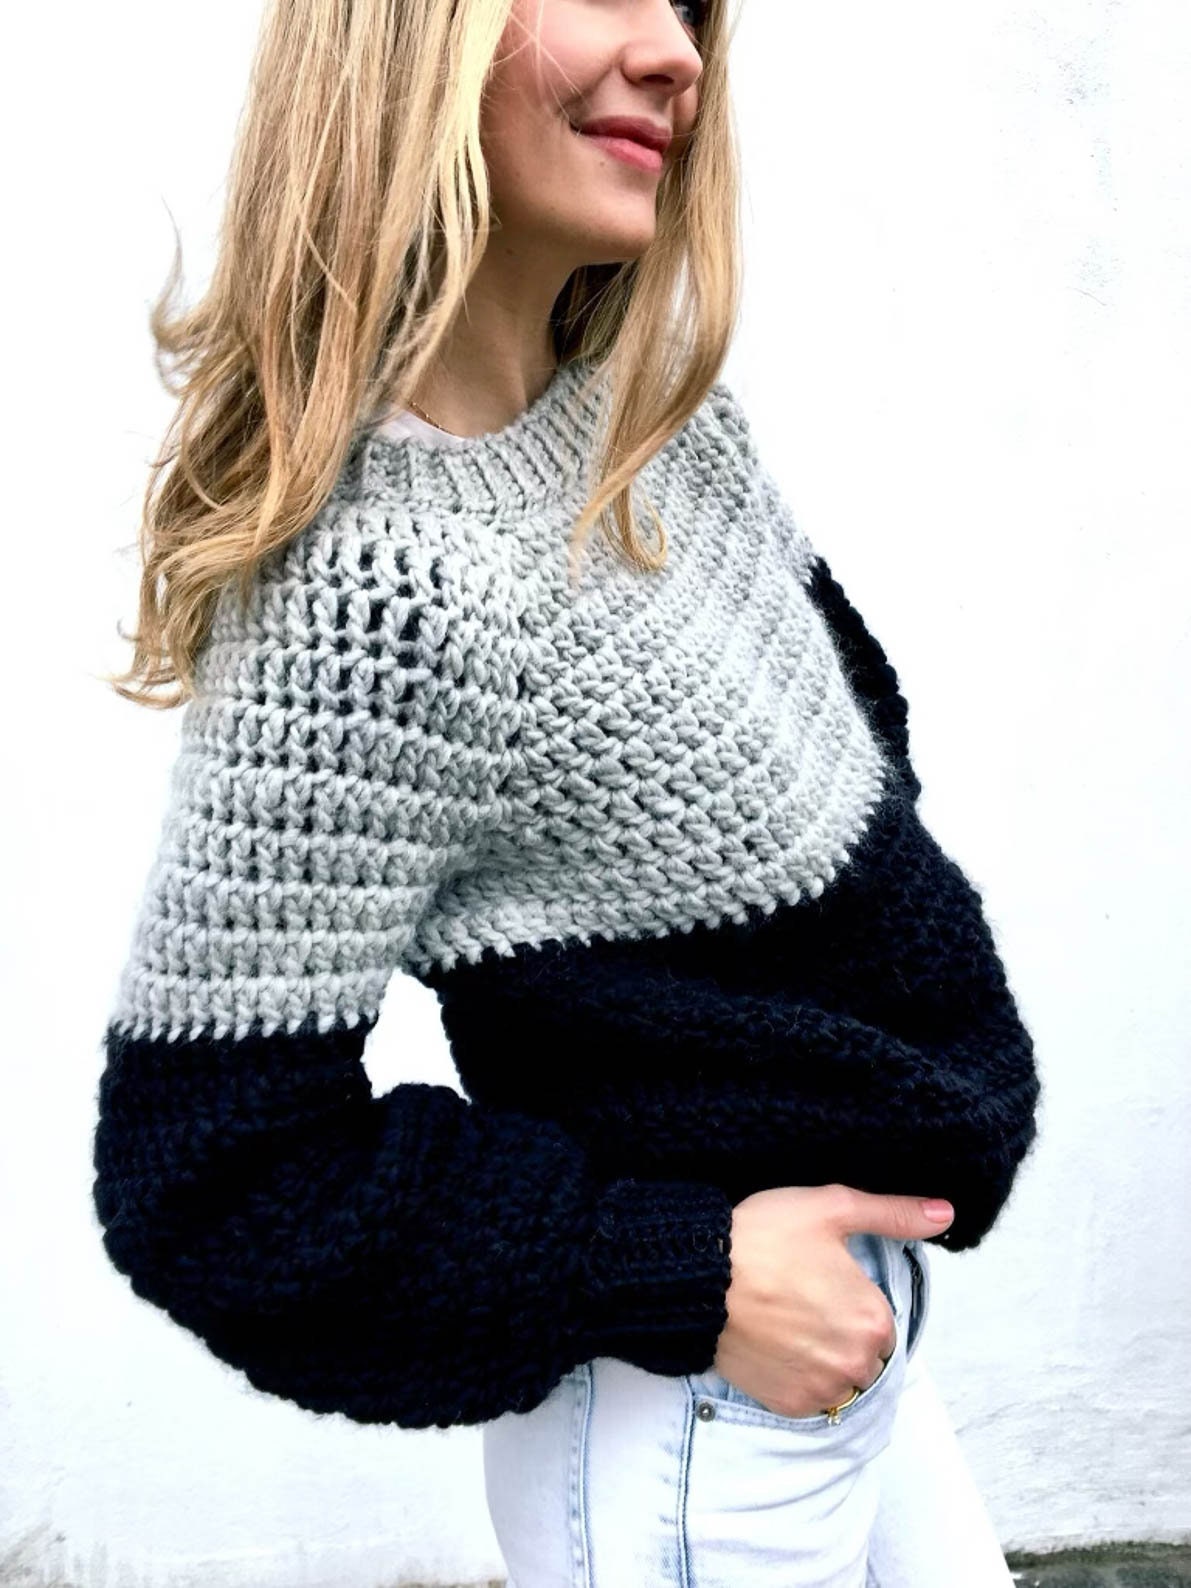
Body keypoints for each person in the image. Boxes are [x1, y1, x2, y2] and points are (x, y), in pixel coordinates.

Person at [91, 0, 1040, 1583]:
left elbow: (855, 762)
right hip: (699, 1415)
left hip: (851, 1337)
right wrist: (683, 1266)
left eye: (687, 3)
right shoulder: (382, 595)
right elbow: (212, 1172)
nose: (678, 51)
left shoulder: (652, 424)